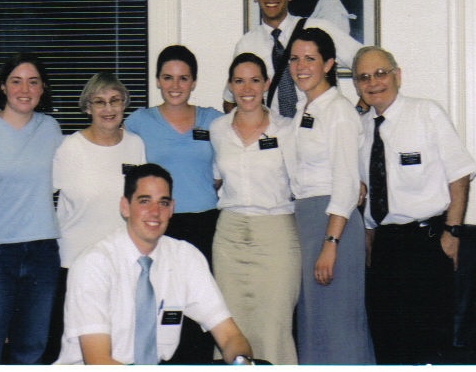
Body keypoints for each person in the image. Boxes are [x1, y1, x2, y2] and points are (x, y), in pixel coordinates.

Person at [56, 164, 254, 365]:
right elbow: (97, 361)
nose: (155, 211)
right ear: (125, 207)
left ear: (172, 209)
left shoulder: (185, 257)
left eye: (163, 203)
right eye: (144, 201)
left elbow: (229, 335)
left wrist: (241, 362)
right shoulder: (94, 265)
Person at [354, 45, 476, 364]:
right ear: (357, 86)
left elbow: (459, 174)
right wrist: (369, 237)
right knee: (386, 345)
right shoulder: (361, 129)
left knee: (426, 348)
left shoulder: (426, 112)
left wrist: (452, 232)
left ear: (398, 75)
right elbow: (367, 189)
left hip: (425, 245)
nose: (373, 82)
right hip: (384, 248)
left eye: (381, 73)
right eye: (364, 77)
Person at [0, 53, 63, 364]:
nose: (24, 89)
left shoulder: (51, 129)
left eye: (33, 82)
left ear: (43, 88)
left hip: (42, 251)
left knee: (31, 349)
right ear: (2, 87)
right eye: (16, 81)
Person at [123, 45, 222, 363]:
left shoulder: (213, 120)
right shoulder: (140, 121)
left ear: (193, 82)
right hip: (159, 225)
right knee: (162, 307)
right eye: (168, 78)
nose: (175, 85)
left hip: (205, 224)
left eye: (183, 78)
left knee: (199, 308)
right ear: (157, 81)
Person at [287, 27, 375, 364]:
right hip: (307, 222)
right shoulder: (303, 109)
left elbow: (346, 183)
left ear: (328, 64)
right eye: (295, 58)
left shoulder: (337, 110)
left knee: (340, 327)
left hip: (332, 225)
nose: (301, 66)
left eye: (310, 58)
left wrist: (331, 243)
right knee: (315, 325)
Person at [44, 71, 146, 363]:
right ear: (87, 107)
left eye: (115, 100)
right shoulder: (68, 148)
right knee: (71, 352)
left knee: (117, 349)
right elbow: (37, 193)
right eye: (99, 102)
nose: (108, 108)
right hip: (74, 265)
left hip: (121, 265)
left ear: (124, 103)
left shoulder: (136, 145)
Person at [209, 52, 301, 364]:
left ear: (266, 84)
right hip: (230, 236)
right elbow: (215, 179)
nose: (246, 88)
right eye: (239, 81)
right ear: (229, 86)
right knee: (231, 324)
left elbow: (306, 179)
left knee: (274, 326)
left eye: (254, 80)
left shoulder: (287, 129)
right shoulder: (217, 129)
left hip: (275, 233)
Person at [224, 0, 364, 118]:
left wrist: (358, 113)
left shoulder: (320, 29)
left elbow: (367, 61)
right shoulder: (247, 44)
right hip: (278, 136)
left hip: (324, 133)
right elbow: (230, 101)